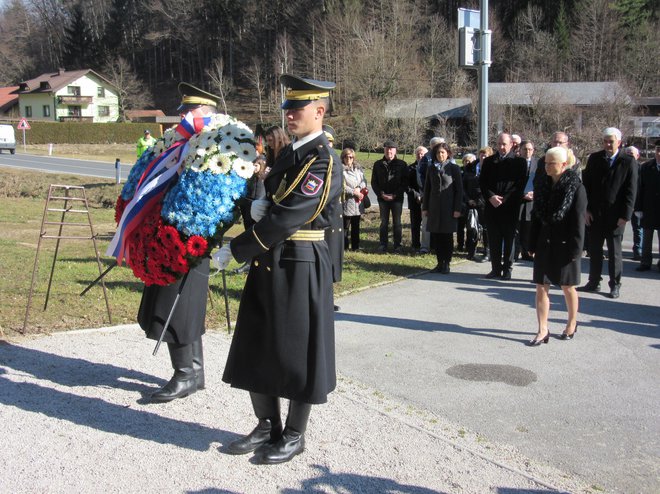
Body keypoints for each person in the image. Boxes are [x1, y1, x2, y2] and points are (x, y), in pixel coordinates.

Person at [213, 74, 341, 464]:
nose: (288, 115)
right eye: (286, 108)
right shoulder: (290, 154)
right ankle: (267, 424)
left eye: (297, 108)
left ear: (319, 111)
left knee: (298, 352)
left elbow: (292, 215)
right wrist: (253, 208)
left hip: (300, 263)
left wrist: (238, 247)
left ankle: (294, 433)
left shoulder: (323, 160)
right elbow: (269, 202)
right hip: (270, 258)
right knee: (258, 341)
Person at [137, 83, 219, 403]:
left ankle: (185, 374)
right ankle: (193, 372)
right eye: (183, 109)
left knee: (180, 305)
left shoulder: (213, 146)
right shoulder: (182, 144)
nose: (183, 115)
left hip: (190, 240)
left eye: (189, 110)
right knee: (180, 304)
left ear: (205, 115)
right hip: (171, 237)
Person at [527, 146, 586, 345]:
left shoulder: (575, 187)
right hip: (545, 241)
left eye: (551, 163)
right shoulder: (542, 184)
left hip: (565, 243)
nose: (547, 166)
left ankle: (572, 322)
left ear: (563, 164)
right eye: (545, 163)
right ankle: (543, 329)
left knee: (568, 286)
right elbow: (536, 215)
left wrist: (576, 249)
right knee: (541, 286)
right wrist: (531, 242)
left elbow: (578, 220)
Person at [579, 127, 638, 299]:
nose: (607, 144)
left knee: (614, 252)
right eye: (605, 141)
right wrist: (586, 210)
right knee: (595, 250)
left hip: (615, 216)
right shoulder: (595, 158)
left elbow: (631, 190)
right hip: (595, 213)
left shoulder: (627, 161)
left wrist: (625, 215)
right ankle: (594, 281)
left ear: (619, 142)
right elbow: (587, 186)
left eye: (611, 141)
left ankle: (615, 284)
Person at [479, 132, 528, 280]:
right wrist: (491, 196)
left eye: (504, 144)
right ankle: (495, 268)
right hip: (492, 206)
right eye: (499, 144)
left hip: (510, 207)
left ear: (512, 144)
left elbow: (520, 185)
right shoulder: (489, 161)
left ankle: (507, 269)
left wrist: (504, 199)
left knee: (509, 239)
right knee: (494, 238)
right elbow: (483, 182)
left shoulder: (519, 162)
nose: (501, 147)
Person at [422, 142, 463, 273]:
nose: (440, 155)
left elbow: (459, 190)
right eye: (438, 153)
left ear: (448, 154)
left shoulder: (454, 168)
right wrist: (425, 207)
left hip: (449, 208)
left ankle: (446, 263)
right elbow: (427, 189)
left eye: (443, 153)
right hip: (434, 207)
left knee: (447, 236)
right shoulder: (431, 168)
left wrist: (457, 209)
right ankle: (439, 263)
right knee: (437, 236)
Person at [371, 140, 408, 253]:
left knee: (397, 223)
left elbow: (405, 183)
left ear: (395, 150)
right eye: (387, 148)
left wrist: (395, 195)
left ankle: (397, 245)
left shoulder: (402, 164)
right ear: (384, 150)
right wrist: (381, 194)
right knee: (384, 223)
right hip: (382, 199)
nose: (389, 151)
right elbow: (374, 182)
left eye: (391, 149)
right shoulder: (378, 164)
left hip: (397, 199)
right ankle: (383, 245)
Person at [634, 140, 660, 272]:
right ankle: (645, 262)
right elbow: (640, 188)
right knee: (647, 237)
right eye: (657, 150)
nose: (659, 153)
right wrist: (638, 208)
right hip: (649, 207)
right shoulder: (646, 167)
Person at [418, 137, 446, 253]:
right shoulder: (425, 159)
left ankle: (439, 246)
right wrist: (425, 193)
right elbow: (420, 177)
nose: (440, 149)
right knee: (426, 221)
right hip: (428, 195)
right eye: (437, 146)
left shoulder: (448, 159)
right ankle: (425, 246)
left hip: (444, 197)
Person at [516, 141, 538, 261]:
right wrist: (522, 194)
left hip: (532, 201)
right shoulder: (515, 163)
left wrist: (535, 193)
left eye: (530, 149)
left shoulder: (538, 163)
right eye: (525, 149)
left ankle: (527, 252)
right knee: (517, 227)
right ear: (520, 150)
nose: (527, 151)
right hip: (519, 200)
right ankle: (516, 252)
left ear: (533, 150)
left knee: (528, 228)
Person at [342, 148, 367, 251]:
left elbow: (364, 181)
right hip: (347, 201)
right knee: (345, 227)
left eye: (351, 157)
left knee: (356, 226)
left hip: (358, 203)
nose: (349, 159)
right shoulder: (340, 169)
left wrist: (359, 188)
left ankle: (355, 247)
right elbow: (341, 185)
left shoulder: (358, 169)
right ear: (343, 157)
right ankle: (345, 247)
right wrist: (354, 192)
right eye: (346, 156)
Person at [461, 153, 483, 260]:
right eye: (481, 155)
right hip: (469, 203)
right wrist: (469, 200)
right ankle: (471, 251)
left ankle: (486, 251)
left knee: (484, 228)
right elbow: (462, 187)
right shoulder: (468, 171)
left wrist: (478, 200)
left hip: (482, 203)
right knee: (471, 228)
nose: (483, 157)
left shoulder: (488, 170)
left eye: (485, 156)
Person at [407, 146, 427, 251]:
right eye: (418, 154)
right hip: (414, 200)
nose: (420, 155)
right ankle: (415, 245)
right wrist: (416, 195)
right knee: (415, 224)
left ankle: (427, 245)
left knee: (427, 225)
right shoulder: (410, 168)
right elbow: (407, 186)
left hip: (427, 200)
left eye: (422, 154)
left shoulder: (429, 167)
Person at [625, 146, 643, 260]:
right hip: (623, 204)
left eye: (631, 154)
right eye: (627, 154)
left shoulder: (641, 169)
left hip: (636, 204)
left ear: (637, 156)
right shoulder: (621, 167)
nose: (629, 156)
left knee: (638, 229)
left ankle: (638, 251)